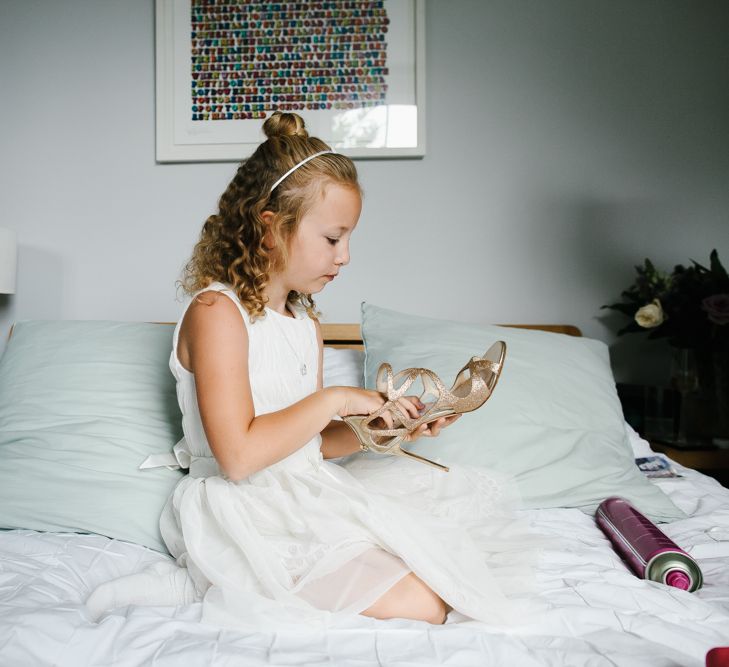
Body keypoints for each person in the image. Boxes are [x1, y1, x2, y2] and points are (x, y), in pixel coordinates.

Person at [86, 111, 539, 629]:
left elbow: (312, 444)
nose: (344, 256)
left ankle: (232, 579)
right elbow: (238, 457)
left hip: (306, 493)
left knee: (448, 578)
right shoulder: (217, 313)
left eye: (348, 239)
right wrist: (338, 398)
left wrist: (391, 428)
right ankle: (202, 579)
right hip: (242, 508)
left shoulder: (303, 322)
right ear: (271, 227)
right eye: (332, 238)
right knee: (424, 606)